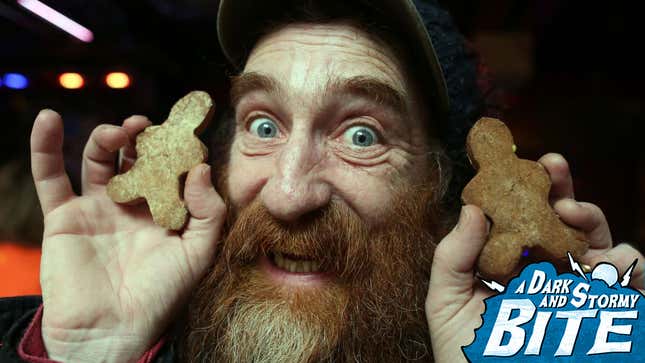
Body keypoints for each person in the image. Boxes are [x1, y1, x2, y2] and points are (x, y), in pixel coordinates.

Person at [1, 0, 643, 362]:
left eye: (362, 135)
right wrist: (91, 354)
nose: (288, 192)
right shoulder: (54, 339)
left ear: (447, 194)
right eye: (263, 125)